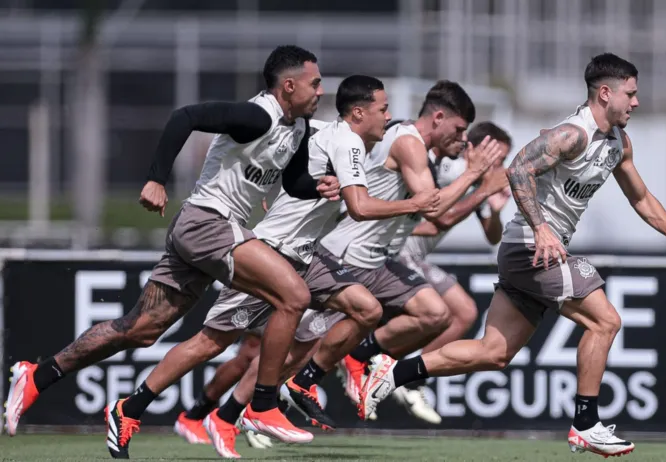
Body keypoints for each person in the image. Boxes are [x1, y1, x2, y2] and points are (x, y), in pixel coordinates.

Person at [358, 52, 666, 458]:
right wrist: (542, 228)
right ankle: (585, 423)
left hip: (527, 252)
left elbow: (641, 198)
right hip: (531, 247)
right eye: (629, 94)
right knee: (606, 321)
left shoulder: (619, 142)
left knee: (494, 353)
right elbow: (518, 169)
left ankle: (393, 371)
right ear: (604, 93)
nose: (635, 102)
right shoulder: (571, 134)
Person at [5, 45, 341, 457]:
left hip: (205, 231)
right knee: (294, 296)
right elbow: (185, 116)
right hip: (208, 223)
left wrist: (320, 186)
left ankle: (40, 376)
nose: (321, 91)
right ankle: (263, 405)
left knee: (140, 331)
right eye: (315, 83)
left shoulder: (297, 128)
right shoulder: (258, 115)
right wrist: (156, 179)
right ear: (289, 86)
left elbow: (291, 182)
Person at [106, 75, 441, 459]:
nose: (389, 116)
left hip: (306, 256)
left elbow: (293, 156)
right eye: (383, 109)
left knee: (366, 309)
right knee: (211, 343)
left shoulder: (331, 134)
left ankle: (297, 385)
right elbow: (360, 207)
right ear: (360, 112)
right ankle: (134, 408)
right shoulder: (347, 140)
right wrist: (417, 203)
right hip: (273, 253)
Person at [312, 80, 505, 426]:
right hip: (356, 251)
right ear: (440, 118)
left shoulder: (440, 156)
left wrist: (491, 200)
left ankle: (394, 372)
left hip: (377, 255)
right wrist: (479, 182)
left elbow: (490, 234)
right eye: (460, 131)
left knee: (439, 313)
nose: (462, 140)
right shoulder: (429, 153)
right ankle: (241, 407)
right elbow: (435, 216)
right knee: (289, 344)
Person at [381, 121, 513, 424]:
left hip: (415, 256)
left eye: (504, 160)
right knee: (440, 312)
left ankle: (409, 379)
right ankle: (377, 362)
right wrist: (483, 193)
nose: (501, 166)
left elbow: (492, 237)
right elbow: (439, 216)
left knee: (464, 313)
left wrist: (493, 208)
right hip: (396, 250)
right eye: (498, 157)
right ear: (477, 149)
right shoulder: (450, 168)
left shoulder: (477, 182)